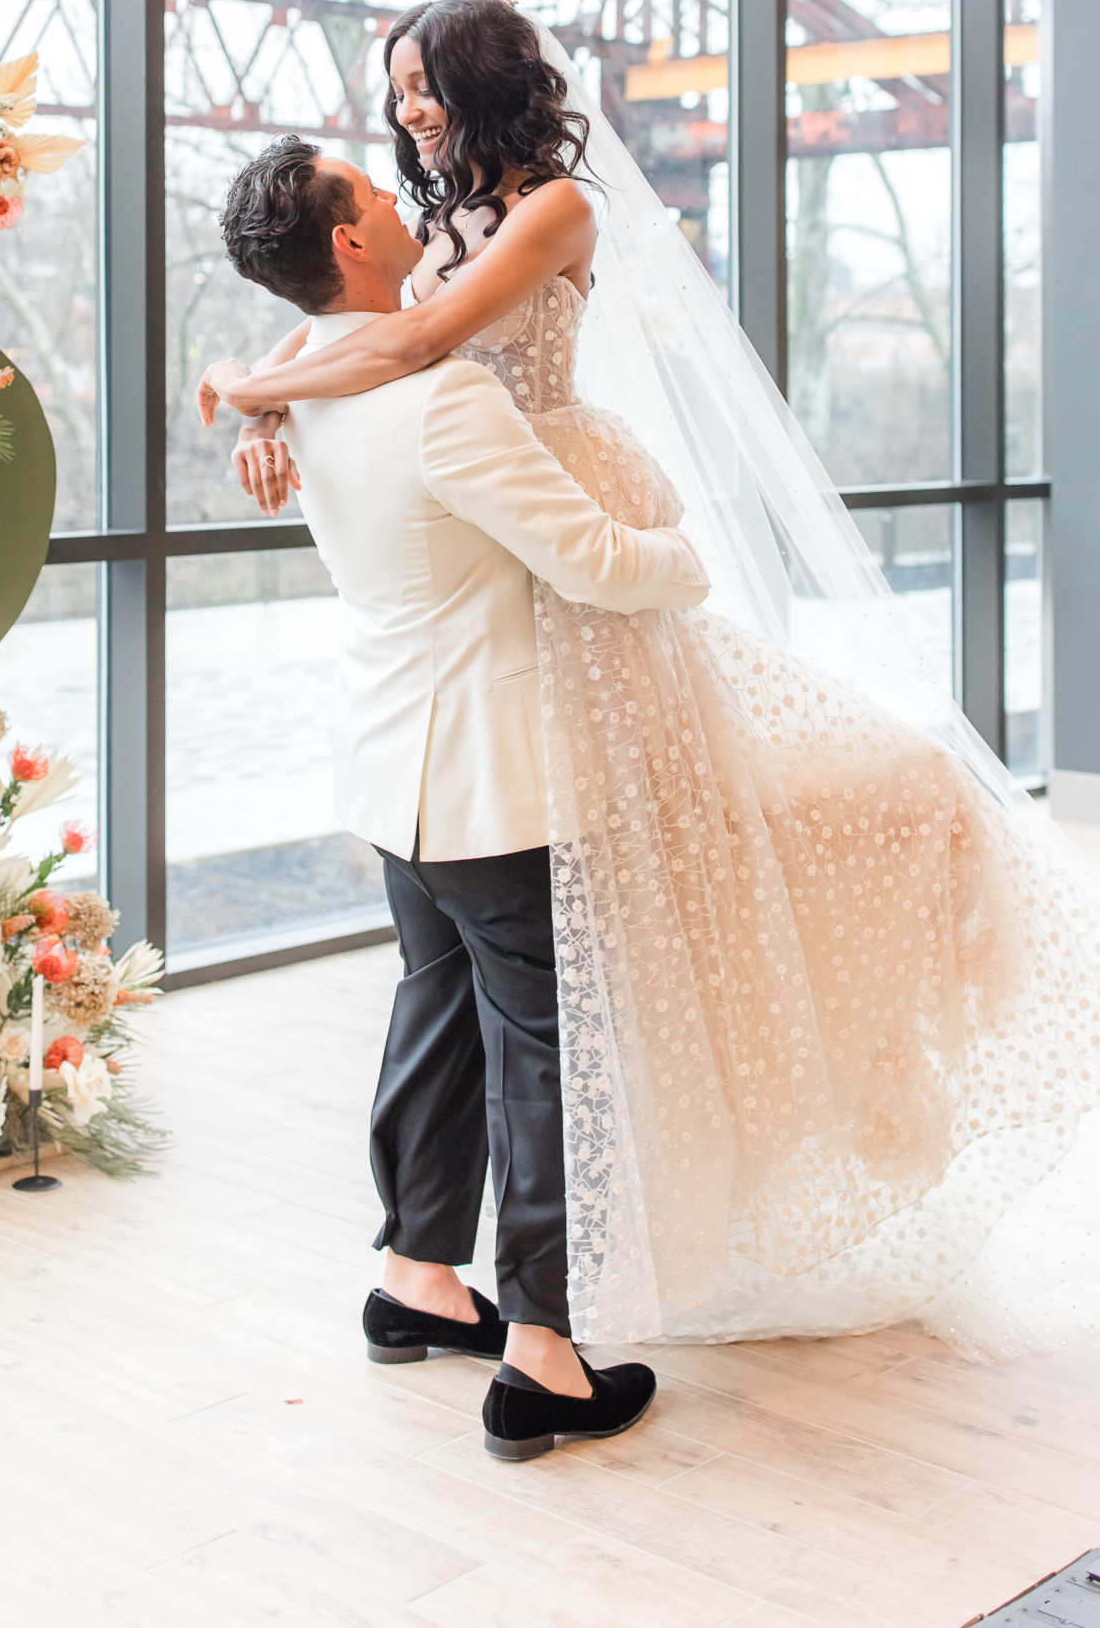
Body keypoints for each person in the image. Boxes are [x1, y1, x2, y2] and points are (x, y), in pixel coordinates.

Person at [201, 0, 1100, 1354]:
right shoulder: (412, 243)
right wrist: (260, 404)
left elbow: (408, 349)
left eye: (424, 85)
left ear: (486, 84)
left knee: (666, 873)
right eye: (395, 93)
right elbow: (360, 340)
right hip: (492, 556)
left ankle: (551, 1255)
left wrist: (259, 393)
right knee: (534, 958)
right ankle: (490, 1294)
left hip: (547, 521)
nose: (409, 111)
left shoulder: (553, 212)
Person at [215, 133, 710, 1458]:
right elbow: (593, 561)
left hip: (390, 774)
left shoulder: (303, 395)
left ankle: (417, 1277)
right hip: (493, 785)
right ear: (350, 245)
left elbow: (267, 392)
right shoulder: (444, 399)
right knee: (542, 1051)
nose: (401, 200)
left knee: (436, 1014)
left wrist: (248, 399)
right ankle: (543, 1352)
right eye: (374, 196)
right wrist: (685, 560)